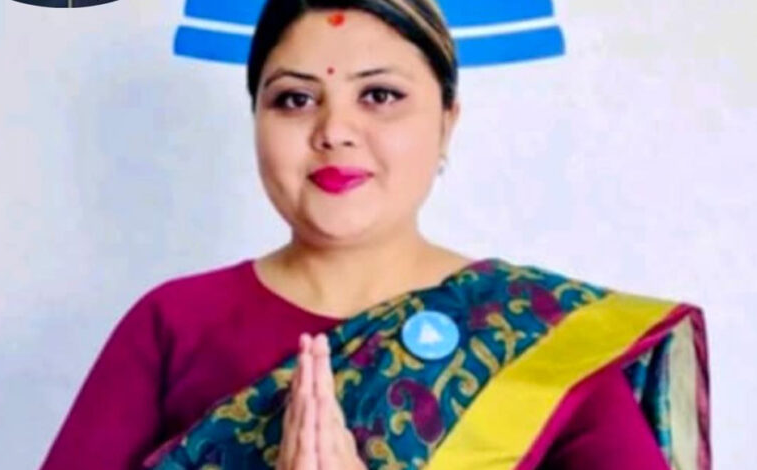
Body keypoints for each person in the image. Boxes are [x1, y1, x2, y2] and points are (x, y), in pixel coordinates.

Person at [39, 0, 711, 469]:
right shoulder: (173, 325)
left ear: (447, 122)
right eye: (294, 99)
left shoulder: (539, 341)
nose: (334, 130)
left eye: (380, 95)